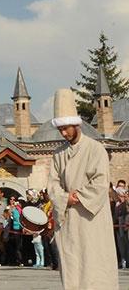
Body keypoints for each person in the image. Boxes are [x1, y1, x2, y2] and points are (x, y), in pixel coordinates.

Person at [47, 88, 118, 289]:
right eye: (60, 129)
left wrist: (76, 197)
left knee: (95, 266)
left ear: (76, 124)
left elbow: (101, 183)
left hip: (91, 219)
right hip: (69, 221)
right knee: (73, 267)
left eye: (66, 128)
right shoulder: (58, 154)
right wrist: (63, 198)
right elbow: (52, 184)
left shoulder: (96, 149)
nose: (63, 133)